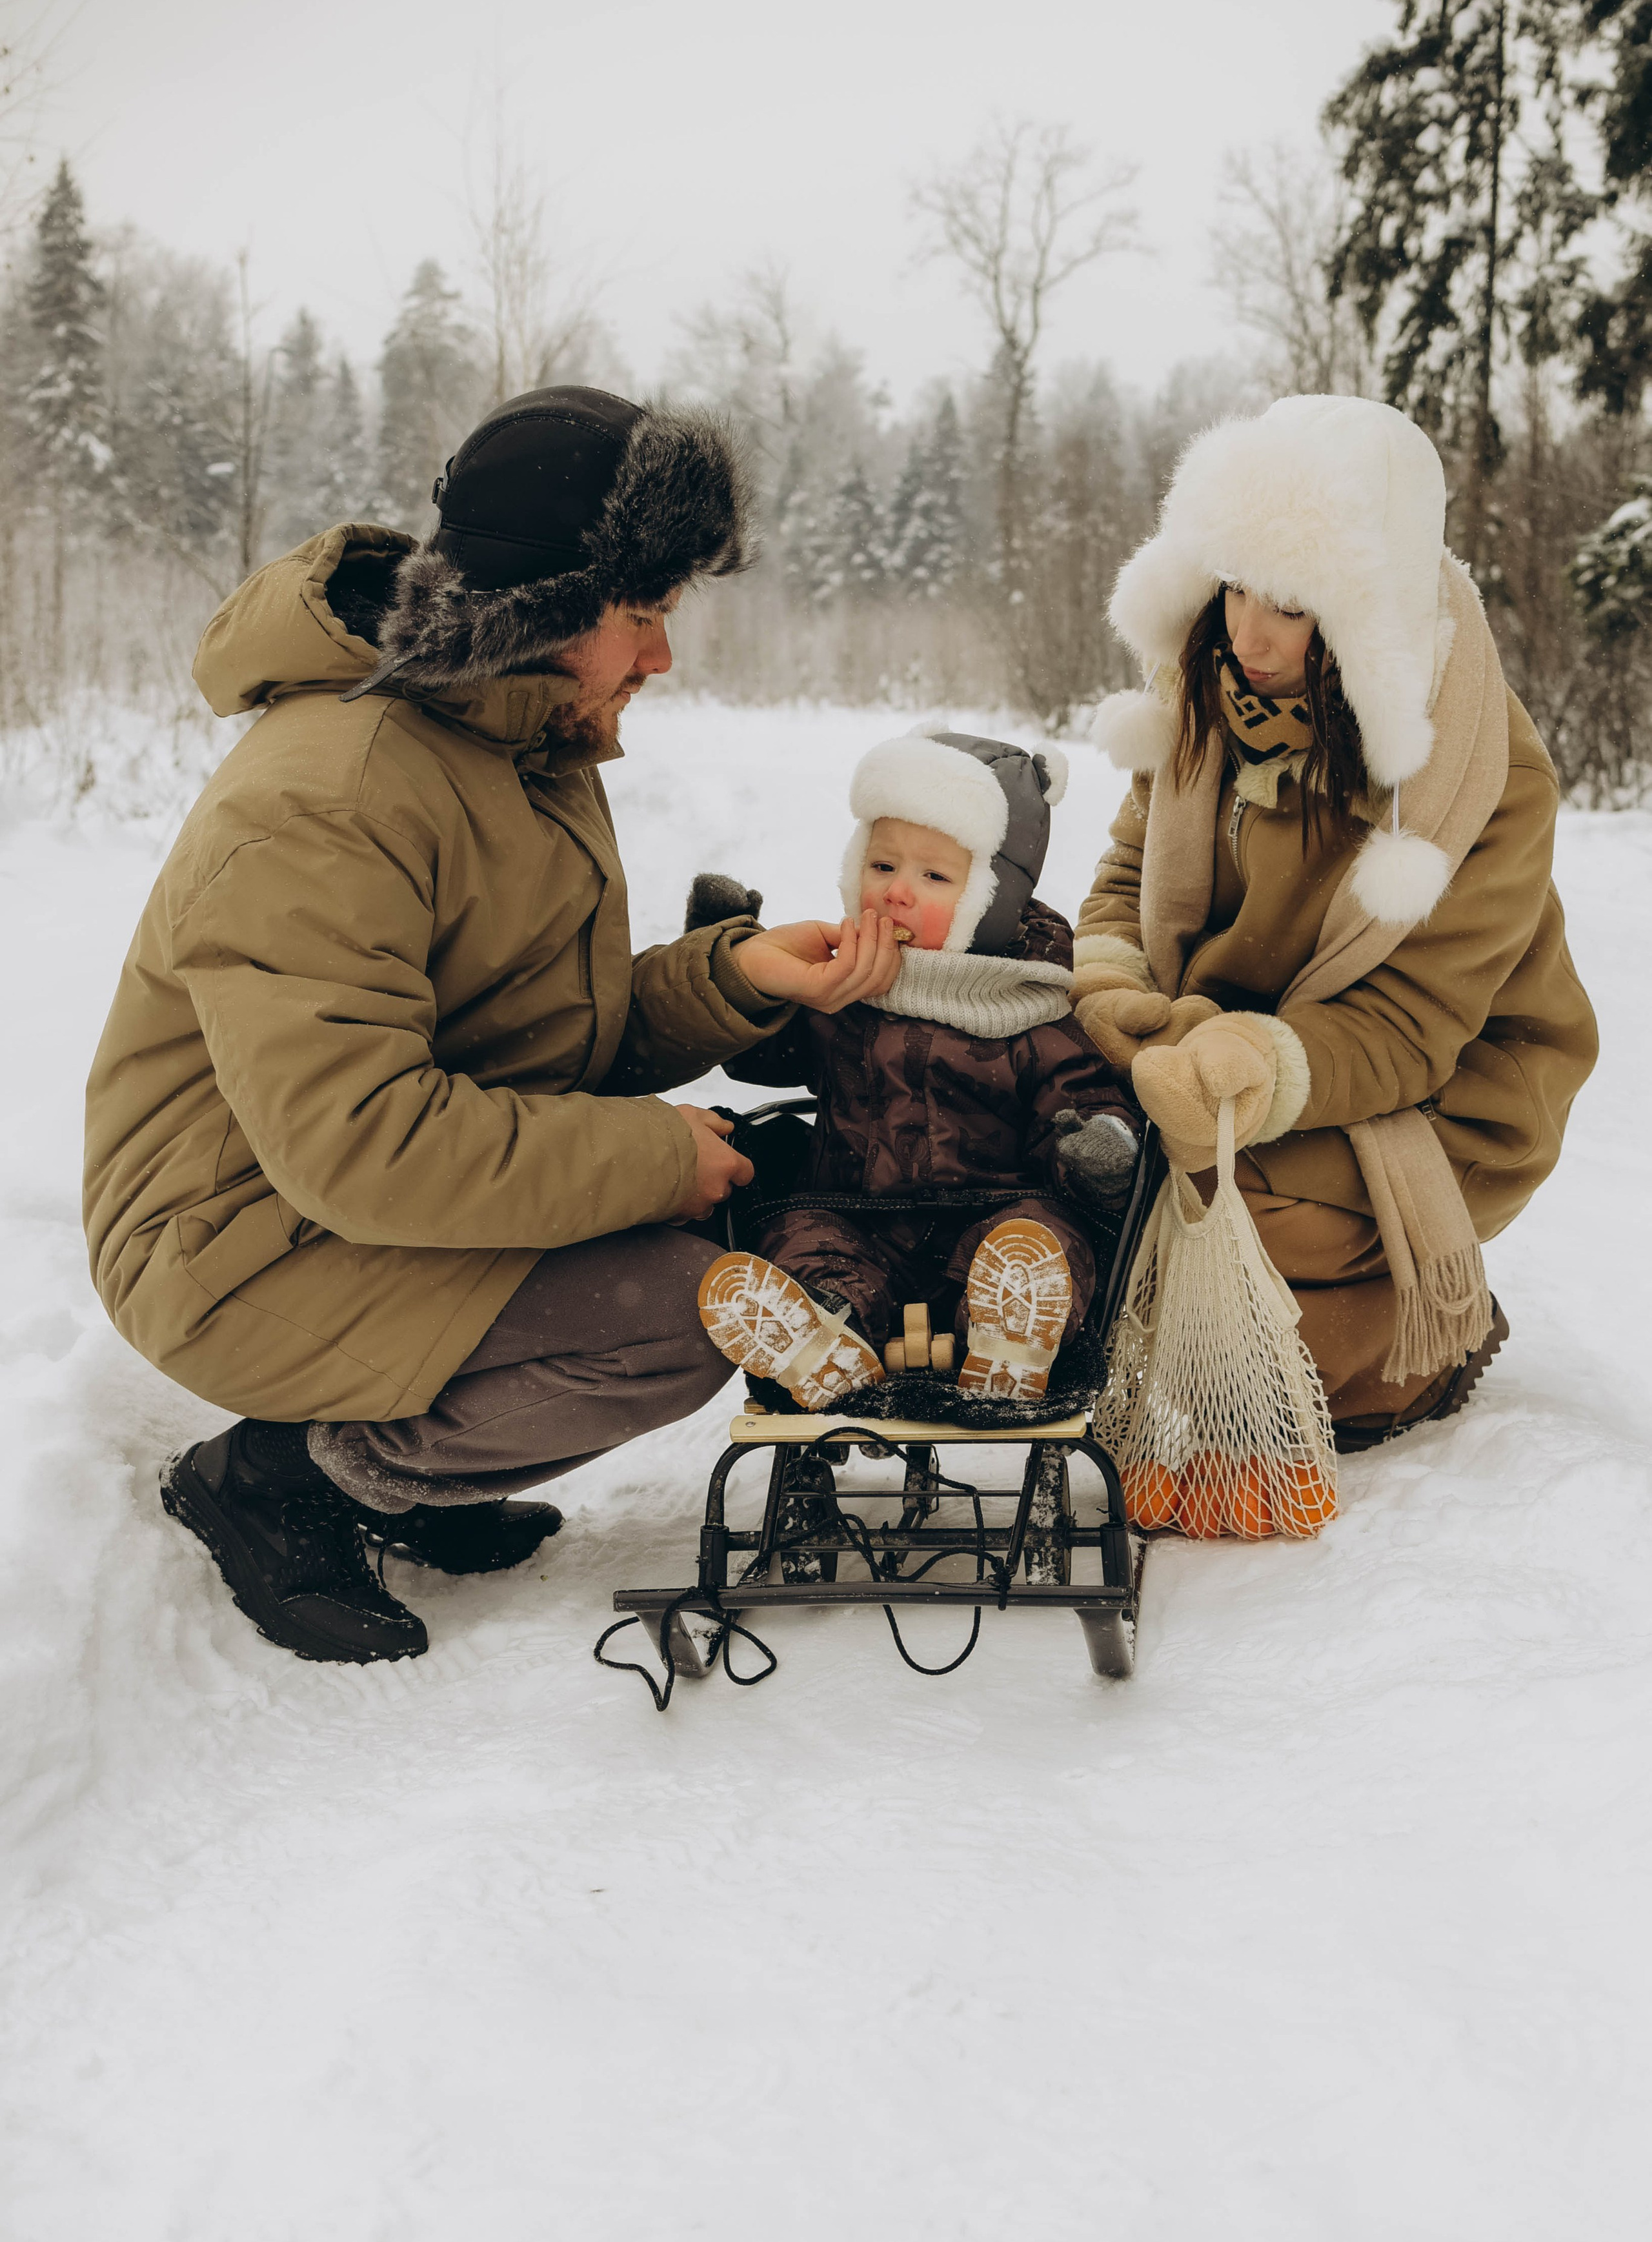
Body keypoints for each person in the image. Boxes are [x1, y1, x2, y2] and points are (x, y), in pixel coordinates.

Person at [83, 385, 902, 1665]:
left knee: (731, 1208)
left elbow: (543, 1043)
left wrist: (738, 977)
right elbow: (361, 1144)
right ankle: (292, 1477)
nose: (661, 660)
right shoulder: (329, 794)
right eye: (645, 617)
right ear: (548, 606)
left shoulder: (519, 740)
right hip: (230, 1249)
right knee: (687, 1312)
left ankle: (405, 1464)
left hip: (339, 1208)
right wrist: (656, 1158)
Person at [1078, 393, 1598, 1453]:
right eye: (1235, 584)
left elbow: (1413, 1028)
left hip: (1440, 1095)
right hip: (1216, 1044)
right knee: (1075, 1164)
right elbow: (1127, 873)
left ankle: (1422, 1331)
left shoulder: (1481, 771)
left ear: (1367, 610)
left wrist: (1249, 1066)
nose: (1249, 633)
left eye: (1294, 602)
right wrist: (1116, 993)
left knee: (1219, 1214)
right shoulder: (1208, 690)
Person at [694, 729, 1142, 1409]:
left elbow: (1077, 1096)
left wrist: (1098, 1146)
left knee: (1043, 1234)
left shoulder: (1031, 1008)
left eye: (933, 877)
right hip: (856, 1219)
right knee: (800, 1234)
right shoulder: (840, 989)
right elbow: (762, 1054)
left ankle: (1009, 1325)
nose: (896, 893)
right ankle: (824, 1327)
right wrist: (730, 964)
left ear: (991, 901)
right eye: (880, 867)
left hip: (989, 1224)